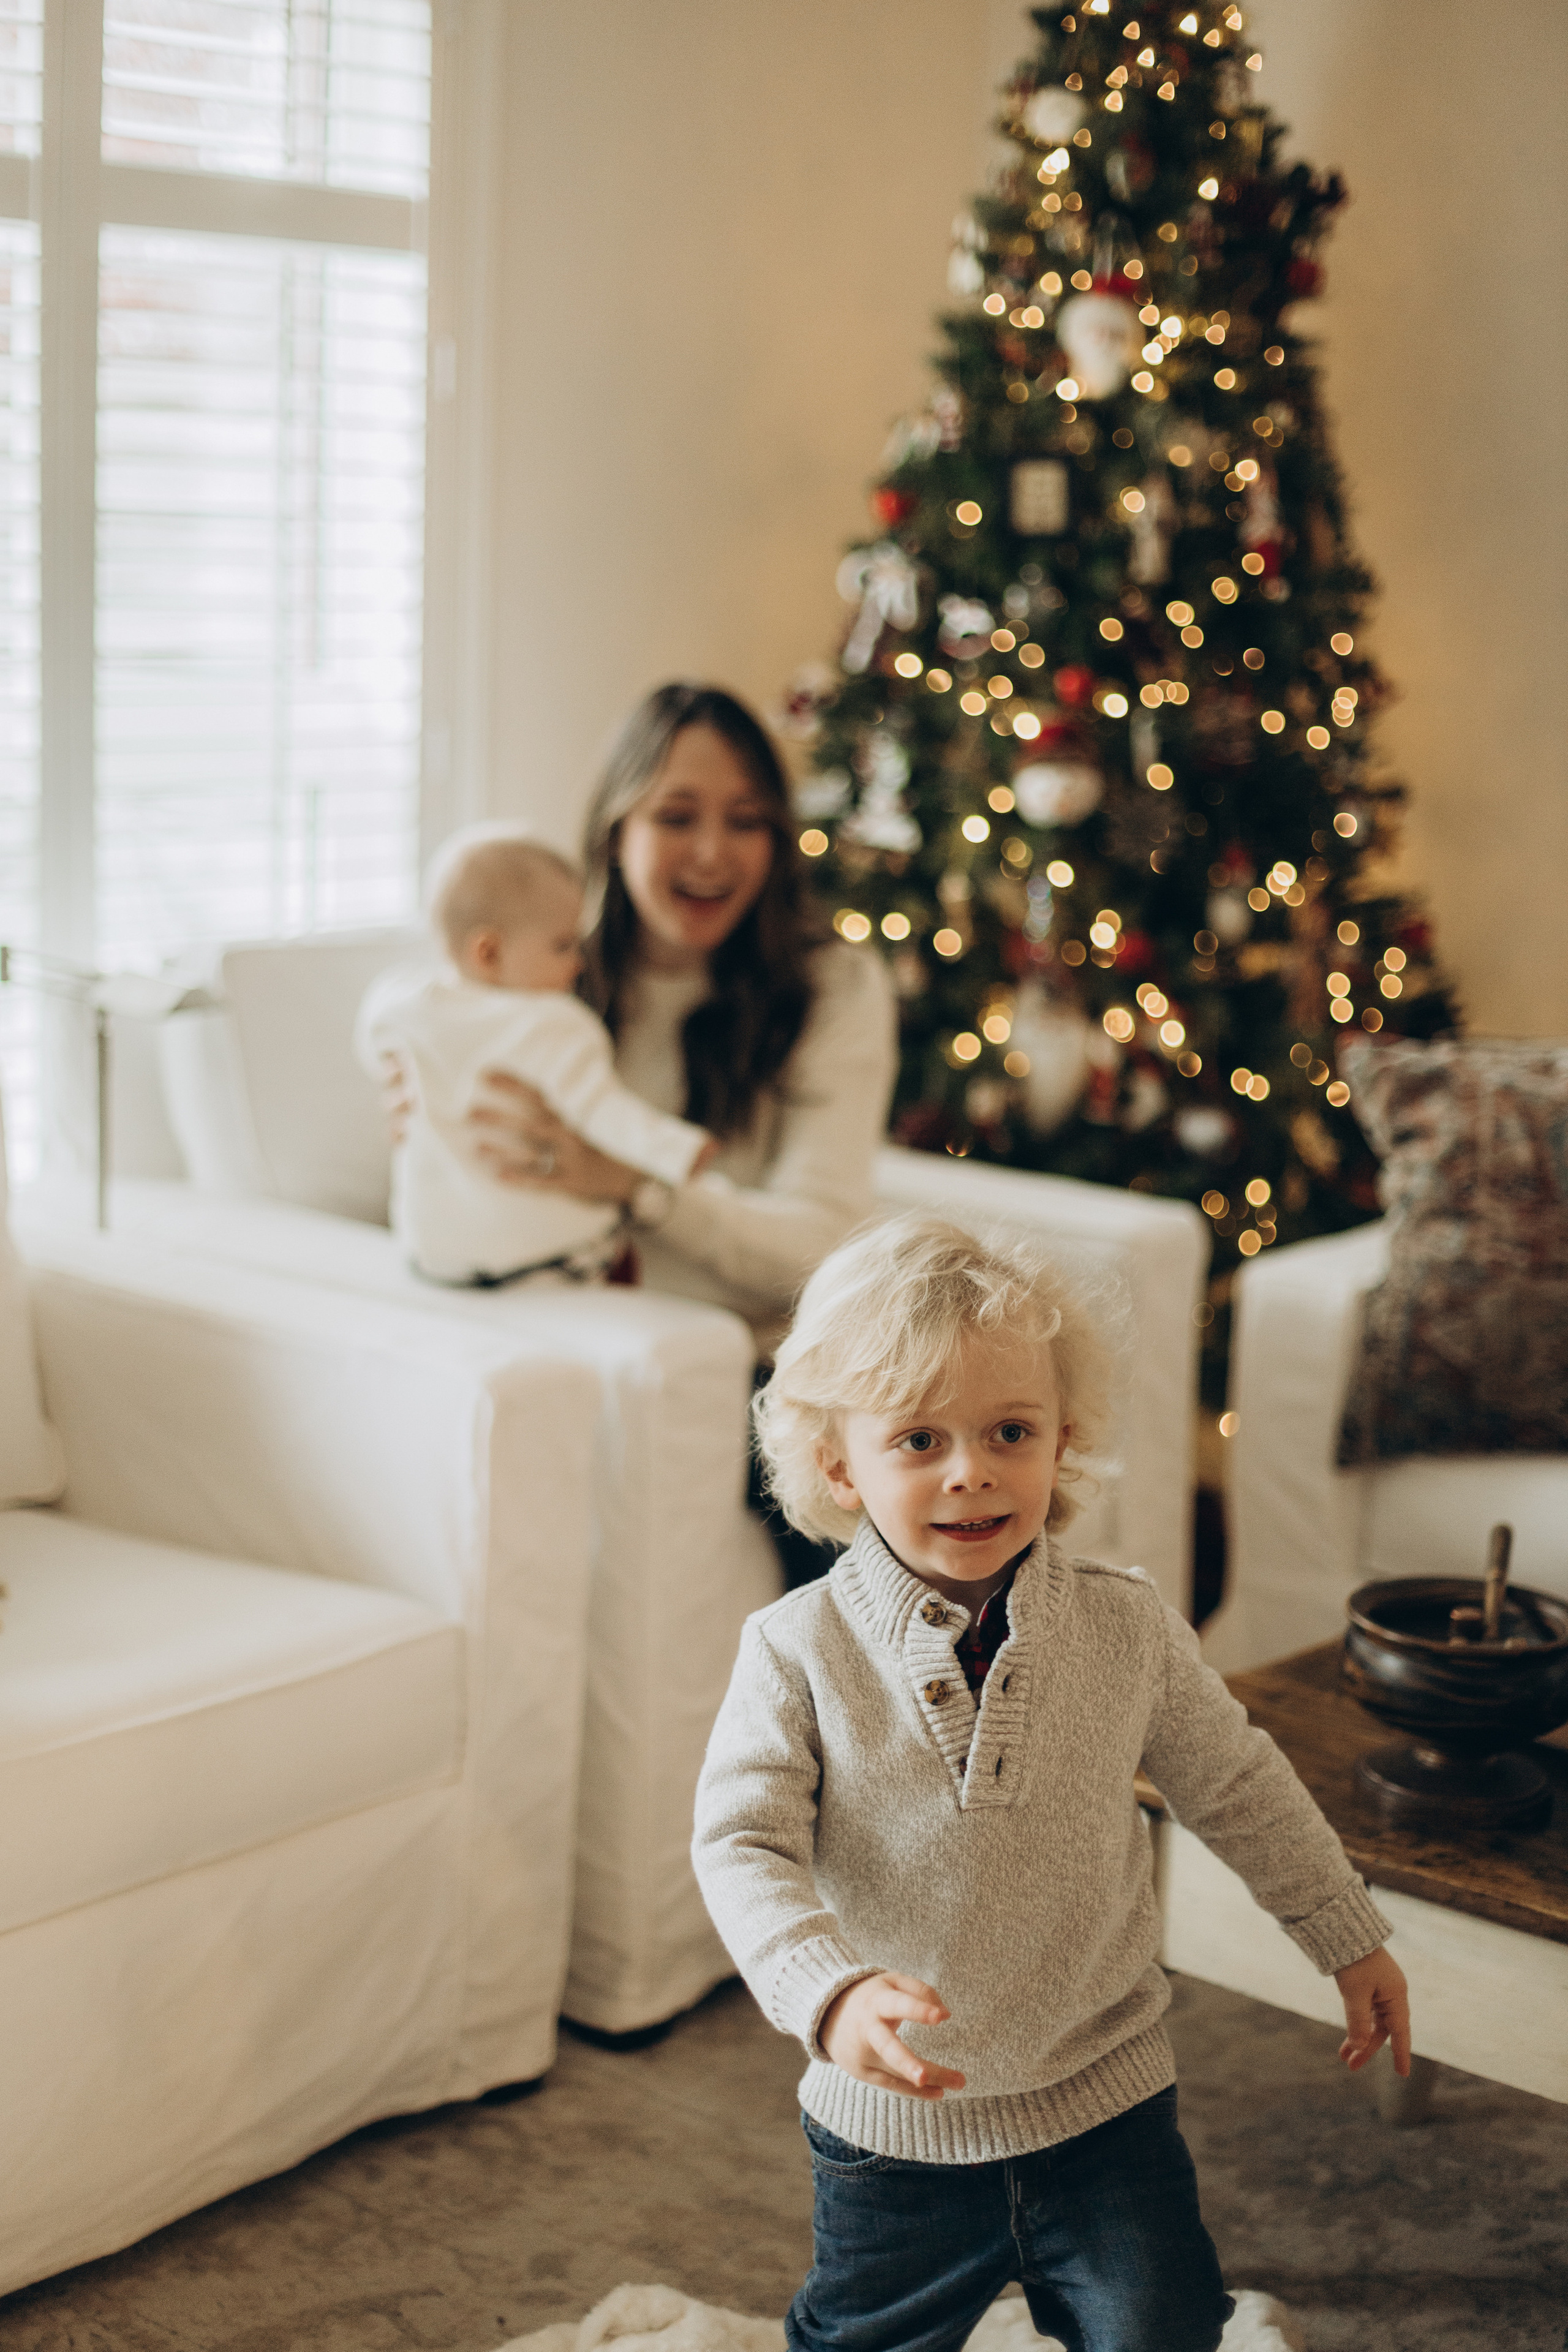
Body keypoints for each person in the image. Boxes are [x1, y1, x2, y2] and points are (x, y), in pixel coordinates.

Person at [693, 1214, 1412, 2352]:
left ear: (1063, 1438)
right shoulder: (797, 1649)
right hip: (895, 2130)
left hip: (1105, 2103)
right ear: (840, 1463)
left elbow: (1238, 1782)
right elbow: (742, 1845)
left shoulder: (1125, 1627)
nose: (971, 1469)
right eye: (919, 1441)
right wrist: (826, 1993)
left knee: (1165, 2328)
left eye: (1009, 1430)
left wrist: (1345, 1932)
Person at [453, 682, 899, 1581]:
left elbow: (818, 1248)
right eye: (676, 815)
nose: (711, 853)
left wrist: (637, 1185)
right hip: (582, 1346)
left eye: (746, 820)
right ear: (616, 830)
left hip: (769, 1368)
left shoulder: (833, 988)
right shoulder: (545, 981)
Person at [356, 827, 714, 1285]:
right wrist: (675, 1149)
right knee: (617, 1256)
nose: (578, 963)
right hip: (543, 1250)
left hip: (436, 1253)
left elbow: (377, 1049)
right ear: (489, 952)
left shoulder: (407, 1006)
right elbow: (603, 1110)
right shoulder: (552, 1025)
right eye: (563, 946)